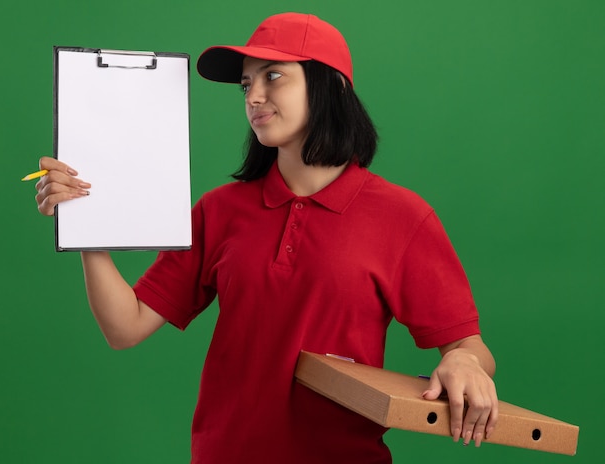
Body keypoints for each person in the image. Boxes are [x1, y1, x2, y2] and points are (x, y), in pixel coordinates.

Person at [35, 12, 498, 464]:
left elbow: (467, 346)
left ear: (331, 86)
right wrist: (86, 221)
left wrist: (465, 363)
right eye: (245, 84)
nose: (254, 96)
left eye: (273, 76)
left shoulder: (402, 217)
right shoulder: (219, 211)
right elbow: (125, 326)